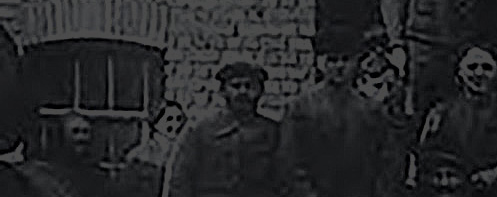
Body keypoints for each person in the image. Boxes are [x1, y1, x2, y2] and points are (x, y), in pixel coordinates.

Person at [280, 28, 397, 197]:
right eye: (332, 60)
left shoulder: (371, 110)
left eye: (346, 60)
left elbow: (386, 160)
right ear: (320, 63)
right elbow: (289, 161)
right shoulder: (301, 109)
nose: (340, 66)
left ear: (356, 63)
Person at [417, 45, 497, 197]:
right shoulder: (442, 113)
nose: (479, 73)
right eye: (472, 67)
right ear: (460, 73)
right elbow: (428, 156)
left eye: (486, 68)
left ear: (496, 73)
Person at [170, 62, 281, 197]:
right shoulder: (201, 131)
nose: (243, 92)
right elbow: (181, 179)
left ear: (260, 91)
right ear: (223, 91)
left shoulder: (273, 132)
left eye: (249, 86)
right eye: (235, 86)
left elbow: (285, 180)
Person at [117, 100, 186, 197]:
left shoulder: (181, 152)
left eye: (178, 119)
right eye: (169, 119)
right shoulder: (141, 153)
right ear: (156, 121)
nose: (174, 124)